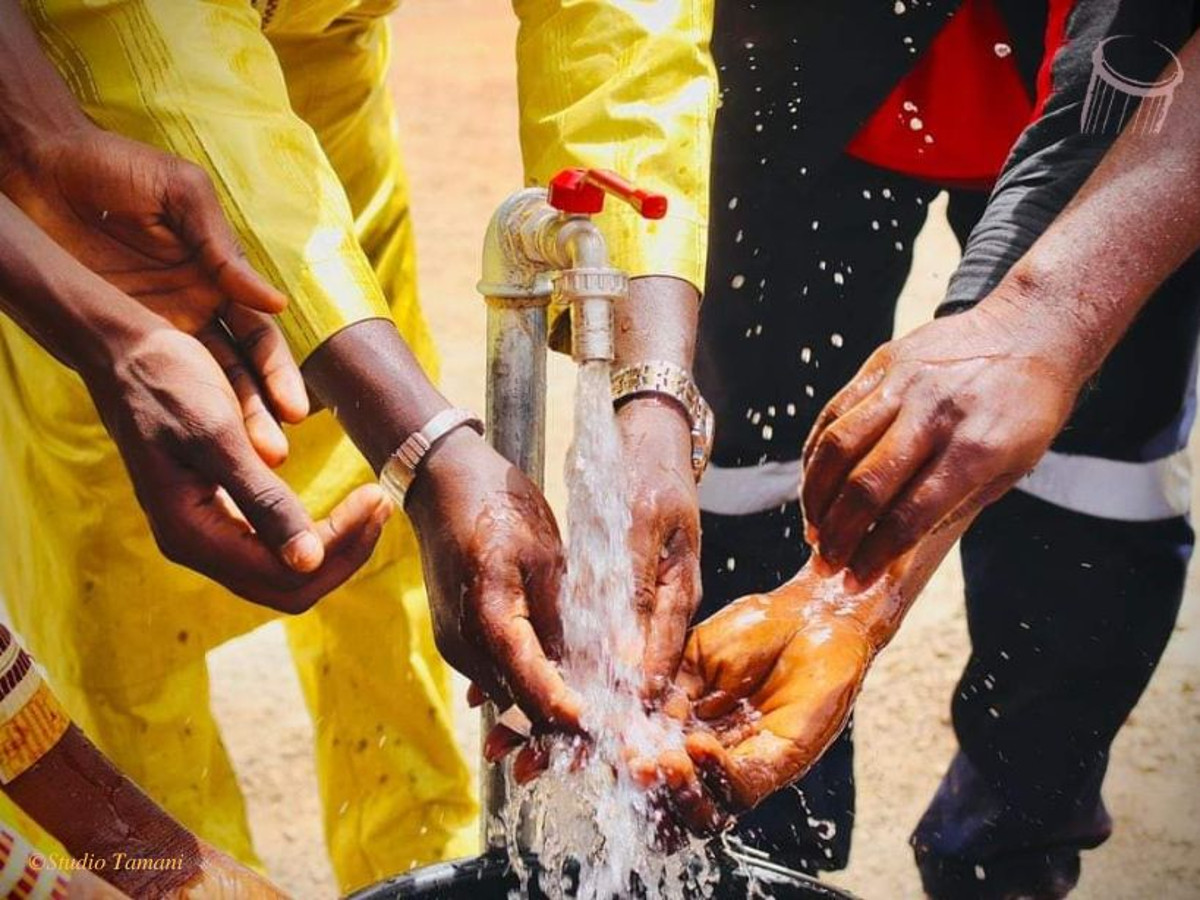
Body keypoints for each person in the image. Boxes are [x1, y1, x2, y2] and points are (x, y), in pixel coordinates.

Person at [0, 0, 715, 891]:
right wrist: (425, 444)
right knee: (123, 613)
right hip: (107, 117)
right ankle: (160, 879)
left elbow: (623, 27)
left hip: (323, 85)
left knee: (391, 577)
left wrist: (653, 396)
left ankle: (410, 857)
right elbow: (147, 31)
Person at [649, 4, 1198, 899]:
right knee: (749, 456)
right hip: (795, 48)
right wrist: (840, 602)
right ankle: (752, 846)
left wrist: (1042, 315)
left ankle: (1009, 848)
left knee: (1098, 484)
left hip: (1133, 69)